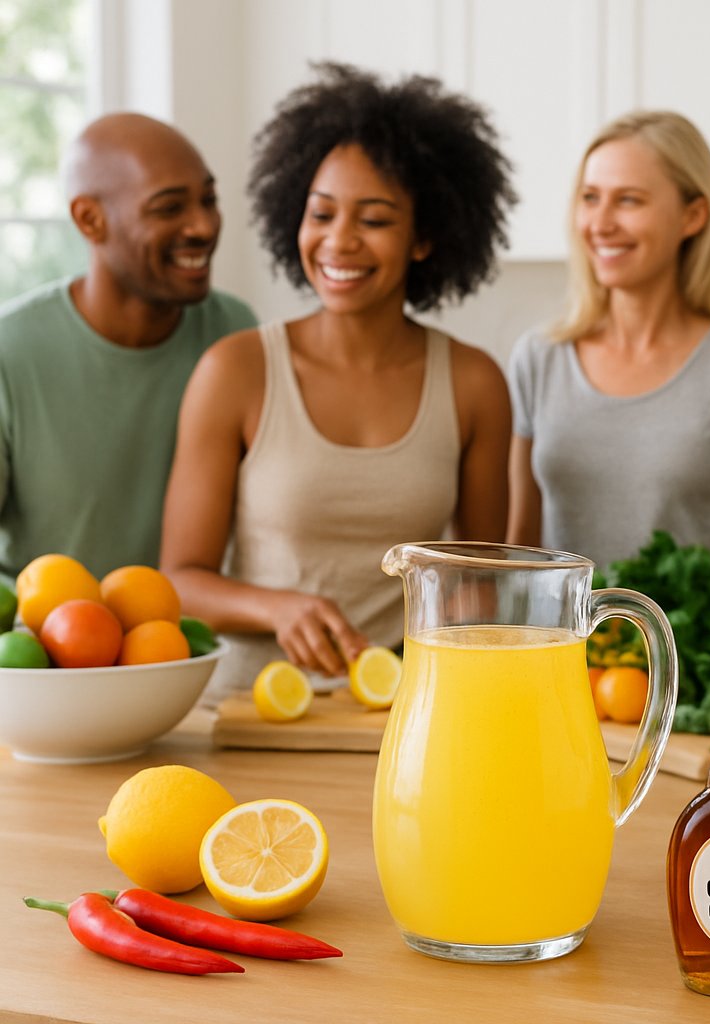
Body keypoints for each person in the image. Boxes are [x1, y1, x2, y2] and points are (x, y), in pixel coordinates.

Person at [161, 63, 515, 701]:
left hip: (406, 711)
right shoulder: (235, 371)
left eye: (374, 220)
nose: (338, 242)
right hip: (255, 712)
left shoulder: (474, 383)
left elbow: (483, 585)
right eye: (321, 214)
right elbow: (180, 581)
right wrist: (278, 609)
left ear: (424, 238)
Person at [506, 111, 710, 594]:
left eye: (629, 201)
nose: (600, 223)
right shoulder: (539, 358)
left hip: (683, 660)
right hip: (558, 657)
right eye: (590, 198)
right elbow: (518, 547)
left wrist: (664, 633)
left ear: (693, 216)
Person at [0, 113, 257, 584]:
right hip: (36, 647)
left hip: (190, 645)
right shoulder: (10, 351)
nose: (202, 226)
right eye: (168, 208)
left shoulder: (235, 332)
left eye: (208, 199)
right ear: (89, 220)